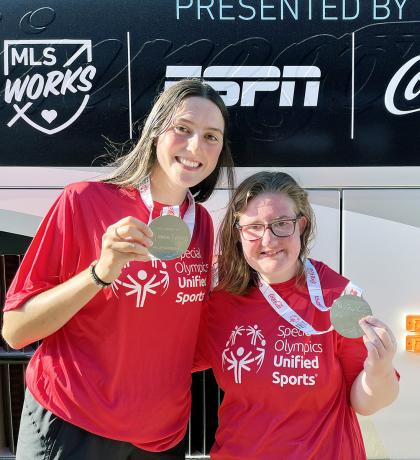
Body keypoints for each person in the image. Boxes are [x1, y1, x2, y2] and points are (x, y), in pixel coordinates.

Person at [2, 79, 234, 460]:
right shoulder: (83, 201)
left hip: (160, 436)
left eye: (211, 136)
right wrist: (100, 273)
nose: (196, 147)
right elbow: (15, 330)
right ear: (156, 129)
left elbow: (184, 343)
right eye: (183, 129)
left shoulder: (203, 223)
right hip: (74, 424)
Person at [195, 171, 399, 460]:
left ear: (300, 226)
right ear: (238, 233)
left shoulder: (338, 297)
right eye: (253, 227)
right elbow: (165, 364)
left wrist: (380, 370)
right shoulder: (222, 301)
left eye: (281, 224)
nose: (268, 239)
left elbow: (365, 403)